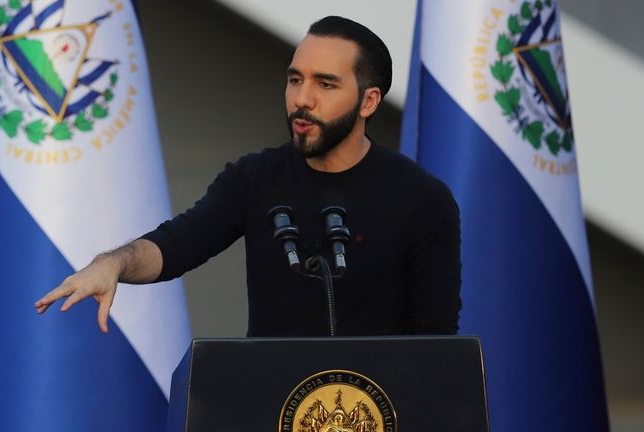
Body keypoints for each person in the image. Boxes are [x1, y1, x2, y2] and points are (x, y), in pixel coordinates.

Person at [35, 16, 461, 337]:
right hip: (269, 404)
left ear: (368, 101)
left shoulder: (422, 200)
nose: (302, 99)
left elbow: (436, 345)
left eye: (325, 85)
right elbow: (177, 245)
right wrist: (113, 263)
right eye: (295, 79)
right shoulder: (255, 178)